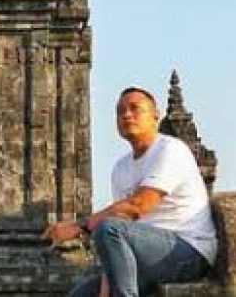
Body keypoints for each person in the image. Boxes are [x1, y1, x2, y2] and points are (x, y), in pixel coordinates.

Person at [43, 87, 217, 297]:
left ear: (155, 116)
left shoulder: (170, 149)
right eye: (120, 111)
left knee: (108, 228)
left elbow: (138, 206)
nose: (126, 115)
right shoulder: (121, 168)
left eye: (135, 109)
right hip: (143, 257)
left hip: (187, 252)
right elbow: (115, 242)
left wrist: (79, 226)